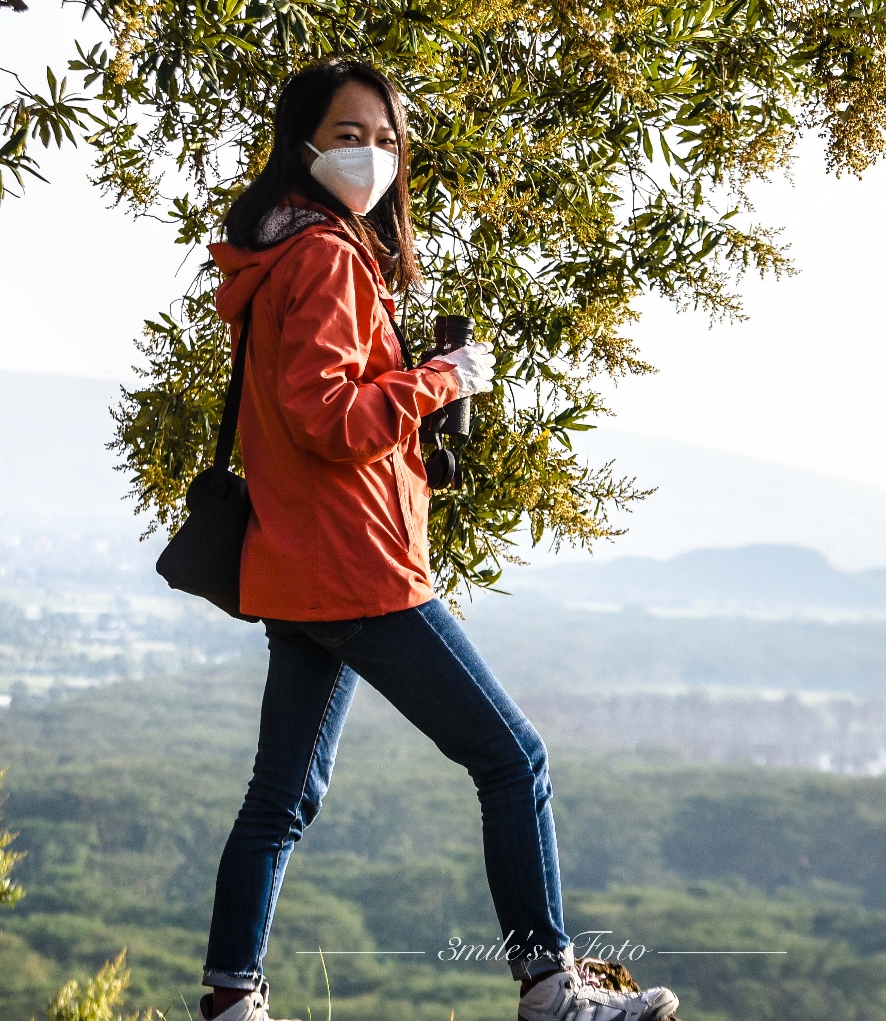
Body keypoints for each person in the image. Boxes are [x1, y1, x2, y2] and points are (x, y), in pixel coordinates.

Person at [197, 60, 680, 1021]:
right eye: (347, 135)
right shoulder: (331, 259)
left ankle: (230, 1001)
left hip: (297, 568)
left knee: (280, 796)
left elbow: (306, 411)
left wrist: (411, 382)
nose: (369, 154)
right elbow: (329, 419)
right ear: (303, 145)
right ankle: (551, 990)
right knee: (515, 758)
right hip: (359, 568)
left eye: (384, 138)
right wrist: (442, 380)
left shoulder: (279, 259)